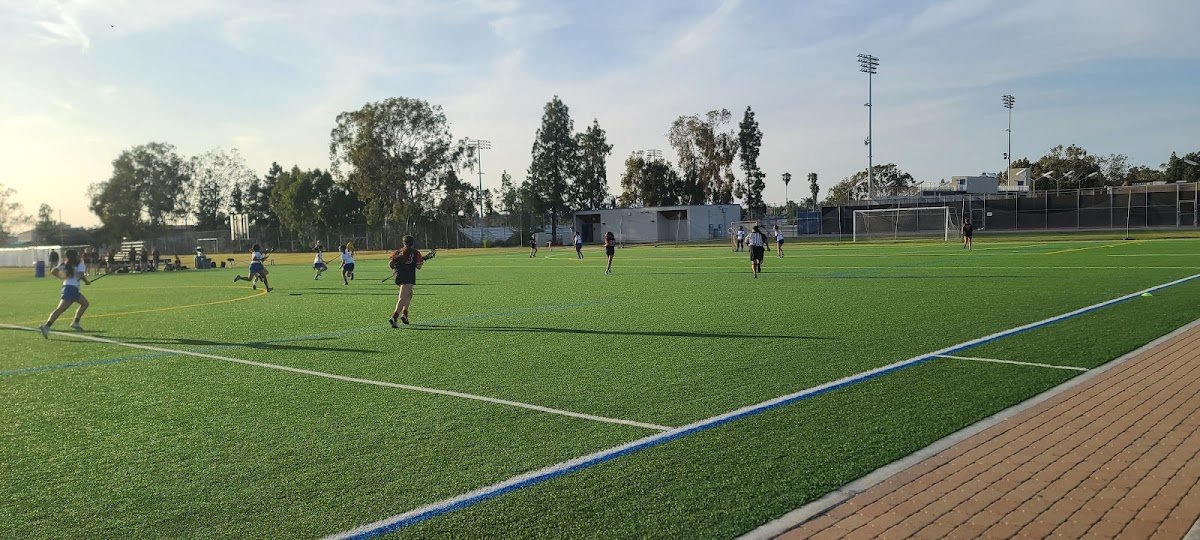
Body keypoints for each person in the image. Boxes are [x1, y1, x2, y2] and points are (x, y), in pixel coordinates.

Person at [39, 249, 90, 338]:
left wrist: (62, 277)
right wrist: (86, 281)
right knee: (60, 309)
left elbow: (53, 271)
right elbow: (81, 275)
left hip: (70, 288)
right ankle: (46, 326)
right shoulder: (79, 263)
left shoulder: (64, 264)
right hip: (71, 289)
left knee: (85, 304)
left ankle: (75, 322)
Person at [388, 235, 425, 327]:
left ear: (403, 242)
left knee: (409, 294)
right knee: (402, 298)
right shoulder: (416, 253)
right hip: (408, 277)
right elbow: (419, 266)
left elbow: (390, 264)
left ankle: (405, 315)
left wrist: (396, 268)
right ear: (412, 243)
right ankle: (394, 317)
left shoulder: (398, 252)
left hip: (399, 277)